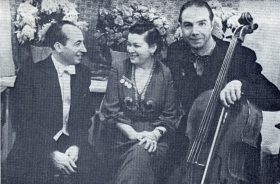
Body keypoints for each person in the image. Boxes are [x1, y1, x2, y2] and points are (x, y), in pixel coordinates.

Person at [164, 0, 280, 183]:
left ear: (212, 24)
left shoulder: (238, 55)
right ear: (181, 27)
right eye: (188, 25)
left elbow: (275, 98)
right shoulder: (176, 52)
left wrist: (242, 84)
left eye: (202, 23)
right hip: (191, 145)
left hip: (229, 156)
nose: (195, 32)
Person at [6, 21, 98, 184]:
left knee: (97, 169)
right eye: (78, 44)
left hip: (71, 144)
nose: (84, 49)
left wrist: (76, 146)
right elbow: (22, 122)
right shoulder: (30, 74)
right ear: (58, 46)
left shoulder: (84, 73)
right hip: (33, 146)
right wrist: (51, 153)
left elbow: (85, 118)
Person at [97, 22, 179, 184]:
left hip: (155, 140)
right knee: (138, 157)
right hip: (120, 138)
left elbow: (170, 116)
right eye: (128, 44)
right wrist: (133, 134)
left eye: (136, 45)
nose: (130, 50)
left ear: (152, 48)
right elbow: (109, 112)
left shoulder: (165, 74)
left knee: (141, 153)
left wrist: (154, 135)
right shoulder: (118, 68)